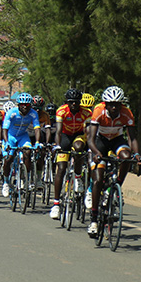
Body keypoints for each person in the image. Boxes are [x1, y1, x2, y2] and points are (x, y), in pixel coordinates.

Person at [86, 86, 141, 237]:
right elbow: (90, 139)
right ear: (105, 104)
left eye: (117, 104)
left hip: (117, 140)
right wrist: (97, 153)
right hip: (100, 142)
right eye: (110, 104)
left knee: (126, 157)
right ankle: (93, 219)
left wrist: (137, 154)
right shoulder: (98, 111)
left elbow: (132, 138)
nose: (113, 107)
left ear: (121, 104)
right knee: (98, 180)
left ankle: (116, 185)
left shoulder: (126, 113)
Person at [49, 88, 91, 219]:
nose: (74, 104)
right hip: (65, 136)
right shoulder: (61, 111)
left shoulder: (86, 113)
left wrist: (90, 147)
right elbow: (58, 131)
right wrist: (57, 146)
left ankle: (78, 177)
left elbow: (89, 132)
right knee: (61, 168)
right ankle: (56, 204)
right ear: (67, 102)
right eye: (71, 102)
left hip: (78, 135)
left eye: (77, 102)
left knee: (79, 147)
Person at [1, 93, 41, 198]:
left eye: (27, 105)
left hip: (23, 136)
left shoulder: (33, 114)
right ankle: (5, 182)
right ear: (18, 105)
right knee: (9, 158)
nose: (24, 107)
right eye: (22, 104)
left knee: (28, 153)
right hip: (10, 136)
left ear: (30, 106)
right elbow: (4, 129)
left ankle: (25, 179)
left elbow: (37, 129)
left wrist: (37, 143)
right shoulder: (11, 113)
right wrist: (7, 143)